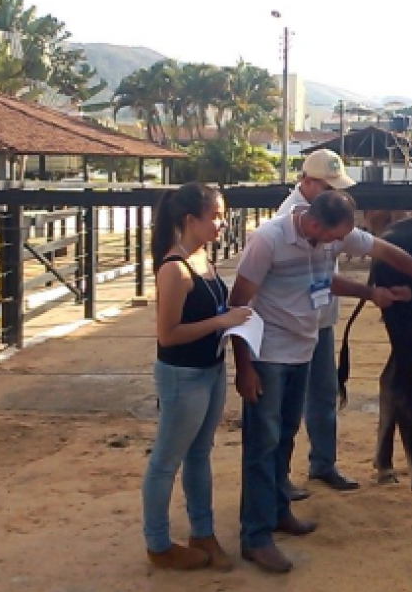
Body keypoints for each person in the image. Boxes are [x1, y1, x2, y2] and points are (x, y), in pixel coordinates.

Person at [229, 190, 412, 573]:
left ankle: (277, 511)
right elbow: (238, 303)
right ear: (313, 223)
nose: (339, 245)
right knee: (262, 442)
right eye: (334, 237)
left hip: (302, 350)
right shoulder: (268, 240)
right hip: (268, 353)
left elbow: (382, 256)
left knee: (286, 434)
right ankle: (255, 536)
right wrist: (244, 367)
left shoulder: (329, 237)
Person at [142, 183, 251, 572]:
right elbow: (167, 335)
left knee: (199, 453)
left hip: (209, 368)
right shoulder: (175, 269)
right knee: (166, 460)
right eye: (216, 216)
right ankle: (158, 543)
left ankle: (202, 532)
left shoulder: (202, 257)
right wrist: (222, 322)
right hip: (183, 375)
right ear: (191, 220)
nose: (222, 223)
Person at [274, 149, 359, 501]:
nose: (333, 194)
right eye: (327, 187)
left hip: (319, 320)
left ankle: (323, 463)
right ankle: (280, 475)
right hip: (292, 326)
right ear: (307, 182)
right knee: (287, 404)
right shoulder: (288, 222)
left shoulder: (326, 216)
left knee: (323, 393)